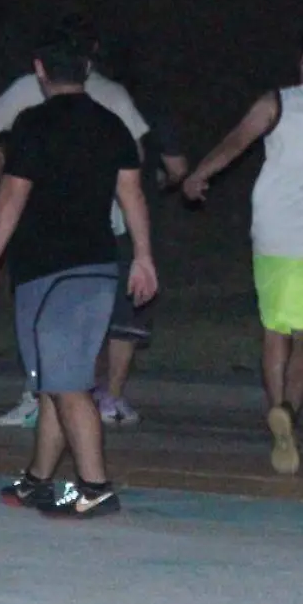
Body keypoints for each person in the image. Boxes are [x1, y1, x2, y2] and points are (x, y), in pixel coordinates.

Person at [0, 30, 158, 518]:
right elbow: (132, 194)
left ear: (40, 70)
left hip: (47, 270)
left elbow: (12, 195)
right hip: (100, 265)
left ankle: (95, 488)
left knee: (68, 383)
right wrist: (142, 255)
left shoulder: (32, 124)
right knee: (58, 378)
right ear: (86, 70)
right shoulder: (112, 125)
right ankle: (39, 480)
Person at [182, 24, 303, 475]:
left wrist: (198, 175)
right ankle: (289, 411)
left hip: (275, 233)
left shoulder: (279, 101)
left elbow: (236, 143)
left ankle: (277, 412)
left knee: (275, 329)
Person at [88, 40, 189, 427]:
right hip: (132, 217)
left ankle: (82, 391)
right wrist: (164, 178)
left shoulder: (83, 99)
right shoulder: (147, 106)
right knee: (127, 310)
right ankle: (111, 397)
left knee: (89, 305)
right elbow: (176, 164)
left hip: (85, 215)